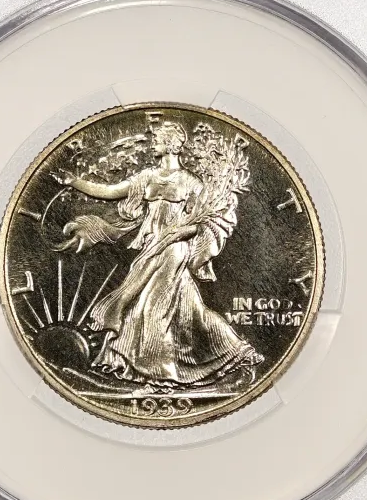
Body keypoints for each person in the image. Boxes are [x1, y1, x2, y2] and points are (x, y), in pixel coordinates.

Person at [54, 120, 262, 385]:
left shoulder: (191, 183)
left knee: (150, 309)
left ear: (173, 144)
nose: (153, 144)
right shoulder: (146, 177)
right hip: (151, 248)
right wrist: (74, 182)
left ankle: (161, 375)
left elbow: (203, 221)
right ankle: (231, 353)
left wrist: (178, 233)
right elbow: (110, 192)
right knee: (189, 311)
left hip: (174, 250)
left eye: (159, 140)